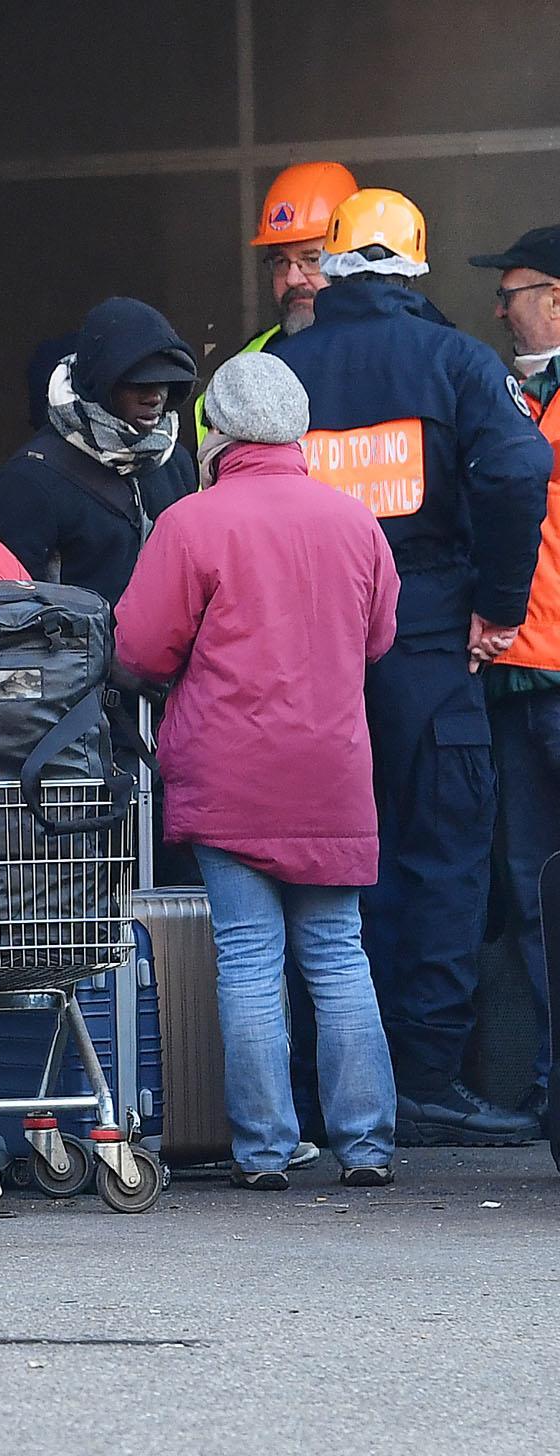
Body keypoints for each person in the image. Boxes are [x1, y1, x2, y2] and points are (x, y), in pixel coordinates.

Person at [270, 188, 555, 1146]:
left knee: (320, 867)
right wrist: (499, 604)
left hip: (312, 652)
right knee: (439, 860)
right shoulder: (454, 362)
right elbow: (518, 471)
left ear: (334, 265)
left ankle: (318, 1092)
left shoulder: (281, 370)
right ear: (416, 266)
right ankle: (427, 1078)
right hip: (432, 644)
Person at [116, 353, 401, 1189]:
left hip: (231, 773)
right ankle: (368, 1146)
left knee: (247, 959)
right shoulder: (355, 523)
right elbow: (378, 639)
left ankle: (266, 1151)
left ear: (220, 431)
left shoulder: (194, 524)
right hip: (332, 772)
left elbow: (138, 649)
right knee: (340, 955)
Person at [471, 223, 560, 1127]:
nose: (501, 304)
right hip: (513, 682)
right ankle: (550, 1080)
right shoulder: (509, 398)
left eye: (517, 287)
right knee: (535, 898)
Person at [0, 297, 199, 614]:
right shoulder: (28, 484)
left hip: (169, 658)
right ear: (99, 382)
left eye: (166, 381)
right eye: (138, 381)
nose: (155, 396)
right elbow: (6, 617)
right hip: (76, 659)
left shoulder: (175, 462)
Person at [193, 162, 360, 438]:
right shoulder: (247, 365)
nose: (293, 278)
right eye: (281, 262)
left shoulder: (398, 350)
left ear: (350, 262)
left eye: (311, 260)